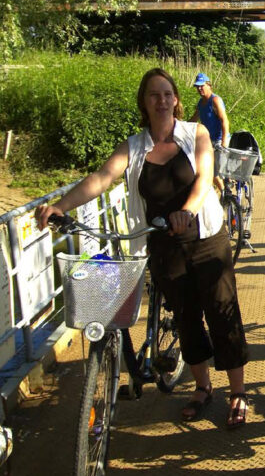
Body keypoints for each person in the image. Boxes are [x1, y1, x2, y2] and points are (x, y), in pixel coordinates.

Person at [36, 68, 250, 428]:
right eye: (154, 95)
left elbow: (202, 178)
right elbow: (101, 179)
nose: (162, 100)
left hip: (205, 238)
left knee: (221, 310)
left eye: (167, 93)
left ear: (177, 100)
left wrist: (187, 211)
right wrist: (62, 206)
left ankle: (238, 393)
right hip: (162, 243)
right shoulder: (134, 147)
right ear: (144, 103)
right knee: (185, 318)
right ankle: (202, 387)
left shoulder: (194, 133)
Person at [190, 72, 230, 192]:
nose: (199, 88)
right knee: (205, 169)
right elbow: (193, 119)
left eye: (202, 85)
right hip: (207, 141)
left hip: (218, 140)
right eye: (197, 86)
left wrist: (224, 141)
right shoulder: (201, 103)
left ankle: (224, 192)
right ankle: (223, 191)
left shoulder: (215, 100)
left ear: (208, 85)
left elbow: (224, 121)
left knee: (213, 171)